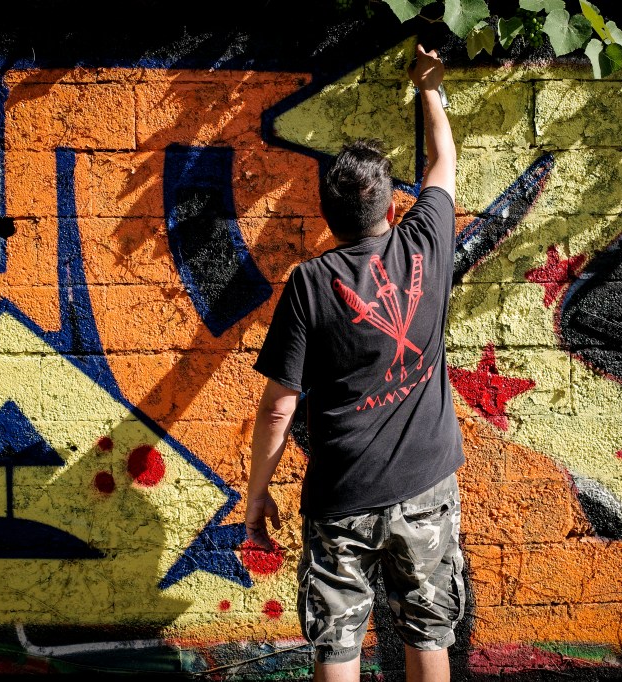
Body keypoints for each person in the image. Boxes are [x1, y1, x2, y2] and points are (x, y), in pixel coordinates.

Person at [244, 42, 464, 682]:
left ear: (327, 217)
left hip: (341, 496)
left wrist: (257, 499)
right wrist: (429, 87)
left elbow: (279, 409)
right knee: (429, 631)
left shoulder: (310, 283)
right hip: (425, 485)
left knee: (338, 645)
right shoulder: (427, 240)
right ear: (392, 208)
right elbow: (444, 161)